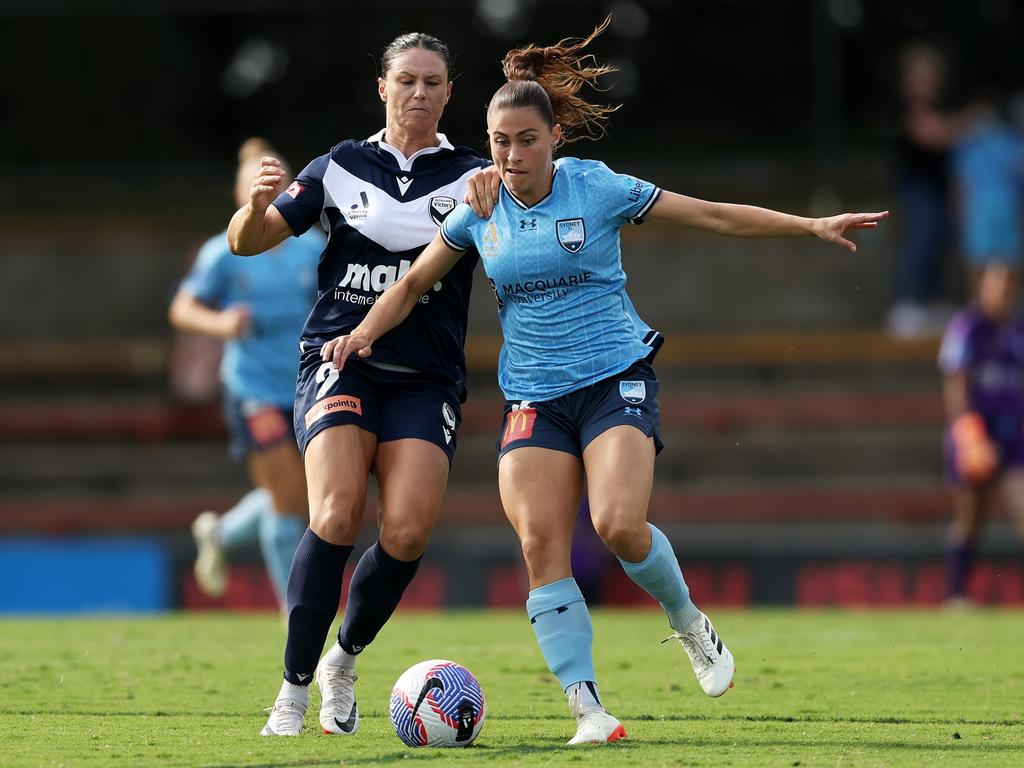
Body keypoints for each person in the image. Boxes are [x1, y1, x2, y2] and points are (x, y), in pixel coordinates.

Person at [322, 18, 888, 745]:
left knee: (619, 524)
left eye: (527, 139)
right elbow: (410, 286)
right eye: (500, 141)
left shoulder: (598, 188)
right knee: (539, 547)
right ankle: (588, 709)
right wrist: (362, 334)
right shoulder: (478, 207)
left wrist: (807, 225)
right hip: (532, 396)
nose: (513, 153)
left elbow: (711, 215)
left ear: (554, 137)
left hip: (613, 376)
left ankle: (687, 621)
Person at [227, 33, 495, 737]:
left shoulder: (474, 175)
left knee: (406, 530)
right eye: (405, 79)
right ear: (382, 87)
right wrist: (255, 208)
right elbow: (246, 242)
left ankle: (341, 661)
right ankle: (290, 691)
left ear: (448, 93)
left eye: (432, 81)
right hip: (338, 363)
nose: (418, 92)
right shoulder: (339, 166)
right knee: (339, 512)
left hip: (426, 376)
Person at [169, 138, 320, 612]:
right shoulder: (223, 253)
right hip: (251, 388)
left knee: (299, 497)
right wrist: (220, 324)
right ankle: (292, 612)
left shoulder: (311, 247)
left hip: (304, 386)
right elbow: (183, 308)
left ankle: (221, 531)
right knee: (287, 499)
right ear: (241, 193)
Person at [939, 261, 1024, 604]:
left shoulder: (1018, 331)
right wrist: (968, 433)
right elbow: (955, 379)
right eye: (996, 285)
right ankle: (956, 594)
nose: (1001, 293)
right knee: (971, 518)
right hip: (976, 435)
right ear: (982, 287)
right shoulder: (967, 327)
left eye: (1007, 287)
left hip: (1015, 436)